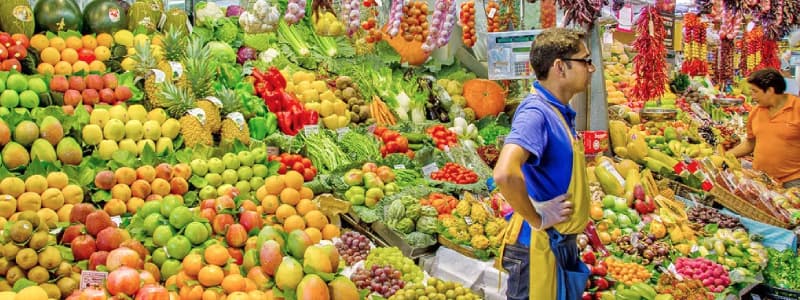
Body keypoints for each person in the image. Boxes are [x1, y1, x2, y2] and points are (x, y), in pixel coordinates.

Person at [493, 28, 594, 300]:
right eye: (585, 61)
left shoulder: (557, 111)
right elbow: (504, 173)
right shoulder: (536, 112)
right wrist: (537, 218)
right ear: (560, 67)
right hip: (536, 248)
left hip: (557, 245)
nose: (591, 68)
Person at [729, 68, 800, 188]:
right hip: (761, 180)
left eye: (755, 91)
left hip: (793, 181)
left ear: (770, 91)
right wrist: (726, 155)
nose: (752, 96)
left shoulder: (797, 108)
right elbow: (750, 143)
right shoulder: (756, 111)